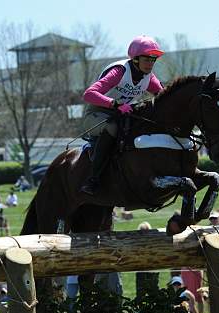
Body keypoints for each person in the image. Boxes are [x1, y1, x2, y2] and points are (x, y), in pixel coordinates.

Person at [80, 35, 165, 195]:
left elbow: (165, 97)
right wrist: (115, 104)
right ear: (135, 59)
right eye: (147, 59)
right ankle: (93, 180)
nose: (150, 64)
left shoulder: (149, 78)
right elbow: (88, 94)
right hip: (96, 116)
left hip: (120, 116)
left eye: (153, 60)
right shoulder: (119, 72)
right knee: (112, 127)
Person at [135, 222, 159, 295]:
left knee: (149, 293)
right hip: (145, 272)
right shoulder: (154, 243)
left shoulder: (137, 244)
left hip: (147, 271)